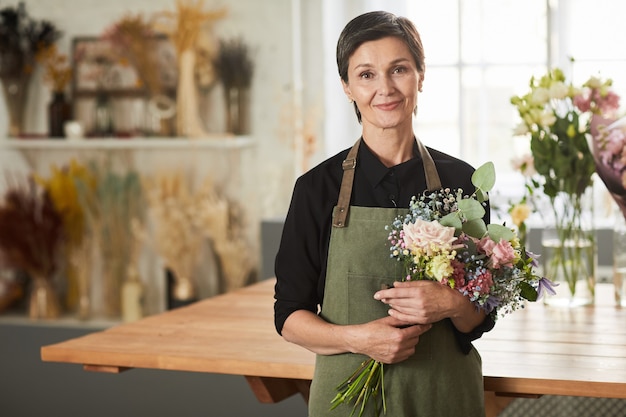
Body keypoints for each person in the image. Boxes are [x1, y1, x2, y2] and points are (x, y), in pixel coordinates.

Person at [273, 10, 494, 417]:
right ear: (347, 87)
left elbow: (478, 319)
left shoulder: (463, 184)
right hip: (348, 399)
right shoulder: (316, 189)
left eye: (399, 69)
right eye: (366, 75)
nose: (385, 88)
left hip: (442, 396)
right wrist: (359, 339)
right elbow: (288, 316)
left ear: (420, 76)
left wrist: (449, 303)